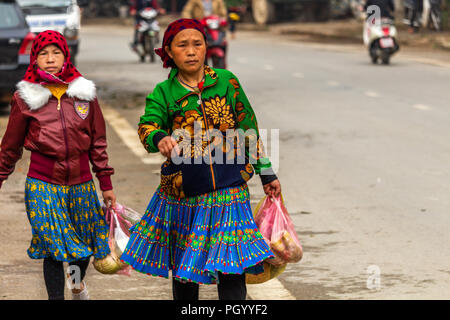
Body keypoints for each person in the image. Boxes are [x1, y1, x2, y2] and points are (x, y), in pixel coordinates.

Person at [120, 18, 281, 300]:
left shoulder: (227, 82)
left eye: (198, 44)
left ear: (207, 47)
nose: (192, 51)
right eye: (183, 45)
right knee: (185, 271)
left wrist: (266, 172)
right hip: (184, 196)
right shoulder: (164, 93)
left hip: (230, 193)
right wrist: (160, 139)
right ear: (168, 52)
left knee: (232, 269)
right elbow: (147, 125)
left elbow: (248, 127)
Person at [0, 30, 116, 300]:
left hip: (82, 184)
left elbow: (98, 142)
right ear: (34, 58)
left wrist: (106, 182)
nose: (50, 59)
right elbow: (10, 146)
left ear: (66, 55)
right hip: (43, 184)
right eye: (43, 53)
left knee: (84, 247)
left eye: (56, 52)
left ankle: (76, 284)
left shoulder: (84, 93)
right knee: (53, 247)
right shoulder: (25, 97)